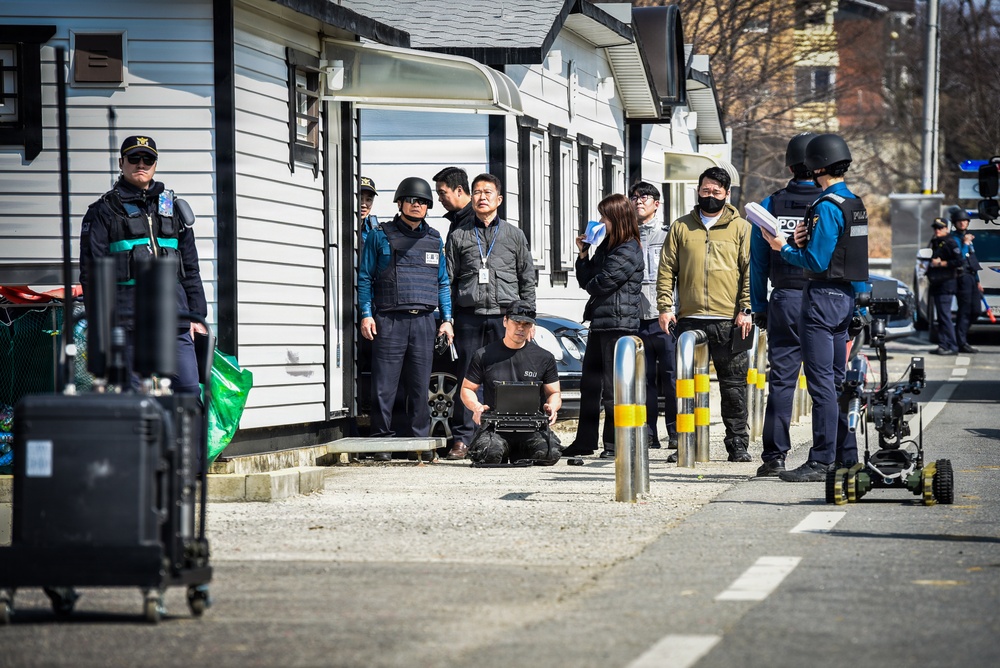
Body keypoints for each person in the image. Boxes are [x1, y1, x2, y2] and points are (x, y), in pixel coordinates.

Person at [761, 133, 869, 482]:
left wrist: (782, 247)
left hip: (821, 299)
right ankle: (847, 457)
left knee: (821, 384)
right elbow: (852, 256)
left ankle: (821, 461)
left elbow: (816, 260)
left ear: (818, 166)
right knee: (837, 383)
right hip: (846, 300)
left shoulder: (825, 206)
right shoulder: (854, 203)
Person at [79, 135, 208, 394]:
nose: (141, 164)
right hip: (127, 321)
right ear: (121, 162)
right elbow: (91, 274)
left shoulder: (172, 208)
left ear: (155, 165)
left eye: (148, 159)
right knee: (135, 399)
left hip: (175, 319)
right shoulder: (103, 211)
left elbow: (190, 267)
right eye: (134, 158)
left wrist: (197, 316)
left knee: (189, 392)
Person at [657, 166, 753, 463]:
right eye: (705, 190)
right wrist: (665, 307)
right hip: (689, 319)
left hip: (730, 320)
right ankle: (685, 443)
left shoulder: (741, 228)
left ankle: (737, 444)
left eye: (716, 191)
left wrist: (746, 309)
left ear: (727, 194)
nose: (710, 195)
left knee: (734, 387)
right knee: (686, 386)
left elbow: (750, 271)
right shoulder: (681, 227)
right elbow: (666, 269)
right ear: (698, 191)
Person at [359, 177, 455, 461]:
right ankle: (381, 443)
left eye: (423, 201)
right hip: (389, 319)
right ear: (399, 203)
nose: (417, 205)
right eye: (411, 200)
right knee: (384, 387)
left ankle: (419, 443)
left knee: (419, 386)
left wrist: (446, 319)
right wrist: (366, 314)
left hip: (424, 320)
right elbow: (365, 278)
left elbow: (442, 282)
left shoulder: (434, 238)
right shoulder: (379, 235)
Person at [444, 173, 536, 460]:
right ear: (471, 197)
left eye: (487, 192)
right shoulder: (458, 235)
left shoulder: (514, 235)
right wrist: (447, 318)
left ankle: (507, 434)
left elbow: (527, 280)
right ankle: (463, 438)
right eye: (477, 192)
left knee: (505, 376)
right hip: (469, 315)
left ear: (499, 199)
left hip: (504, 317)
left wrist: (527, 319)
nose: (482, 197)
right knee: (467, 378)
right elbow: (448, 280)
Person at [749, 133, 822, 477]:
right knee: (825, 381)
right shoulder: (831, 202)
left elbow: (758, 261)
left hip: (785, 299)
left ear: (790, 166)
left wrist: (759, 306)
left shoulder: (770, 203)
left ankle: (774, 456)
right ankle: (828, 454)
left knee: (781, 380)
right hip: (824, 298)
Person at [563, 193, 643, 459]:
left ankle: (614, 443)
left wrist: (592, 279)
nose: (600, 221)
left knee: (613, 388)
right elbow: (586, 279)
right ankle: (584, 441)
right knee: (590, 385)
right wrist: (583, 253)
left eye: (604, 217)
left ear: (617, 218)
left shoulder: (628, 249)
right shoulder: (607, 246)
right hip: (601, 323)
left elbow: (601, 283)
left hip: (619, 326)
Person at [460, 300, 562, 465]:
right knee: (488, 454)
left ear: (531, 327)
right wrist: (476, 407)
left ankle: (519, 452)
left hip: (531, 428)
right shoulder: (484, 355)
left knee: (550, 454)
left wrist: (552, 406)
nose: (520, 328)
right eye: (516, 322)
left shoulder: (544, 358)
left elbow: (554, 392)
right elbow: (467, 388)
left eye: (526, 324)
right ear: (505, 321)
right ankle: (501, 450)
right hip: (495, 428)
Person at [630, 181, 677, 452]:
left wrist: (672, 309)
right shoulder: (627, 236)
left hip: (665, 318)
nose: (639, 201)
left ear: (657, 204)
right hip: (637, 318)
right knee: (643, 379)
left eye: (644, 197)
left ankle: (676, 431)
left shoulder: (669, 235)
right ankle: (648, 433)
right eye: (634, 197)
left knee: (672, 378)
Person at [949, 207, 983, 354]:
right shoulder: (954, 239)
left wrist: (977, 280)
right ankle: (961, 341)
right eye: (959, 221)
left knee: (976, 310)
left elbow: (972, 260)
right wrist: (965, 244)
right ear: (955, 223)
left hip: (971, 277)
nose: (962, 223)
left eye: (965, 221)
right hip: (961, 277)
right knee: (964, 310)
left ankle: (959, 334)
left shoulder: (967, 238)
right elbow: (960, 258)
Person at [927, 218, 962, 355]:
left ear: (946, 229)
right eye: (935, 228)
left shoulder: (950, 242)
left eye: (940, 228)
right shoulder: (936, 242)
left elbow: (959, 261)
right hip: (937, 283)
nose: (937, 230)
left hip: (946, 283)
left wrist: (942, 264)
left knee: (945, 316)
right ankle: (943, 344)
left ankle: (952, 346)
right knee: (941, 317)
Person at [433, 167, 475, 237]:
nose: (440, 199)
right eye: (438, 194)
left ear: (459, 190)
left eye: (442, 193)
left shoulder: (480, 218)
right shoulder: (457, 218)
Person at [358, 175, 379, 250]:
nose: (363, 205)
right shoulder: (340, 225)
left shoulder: (373, 228)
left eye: (368, 200)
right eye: (360, 198)